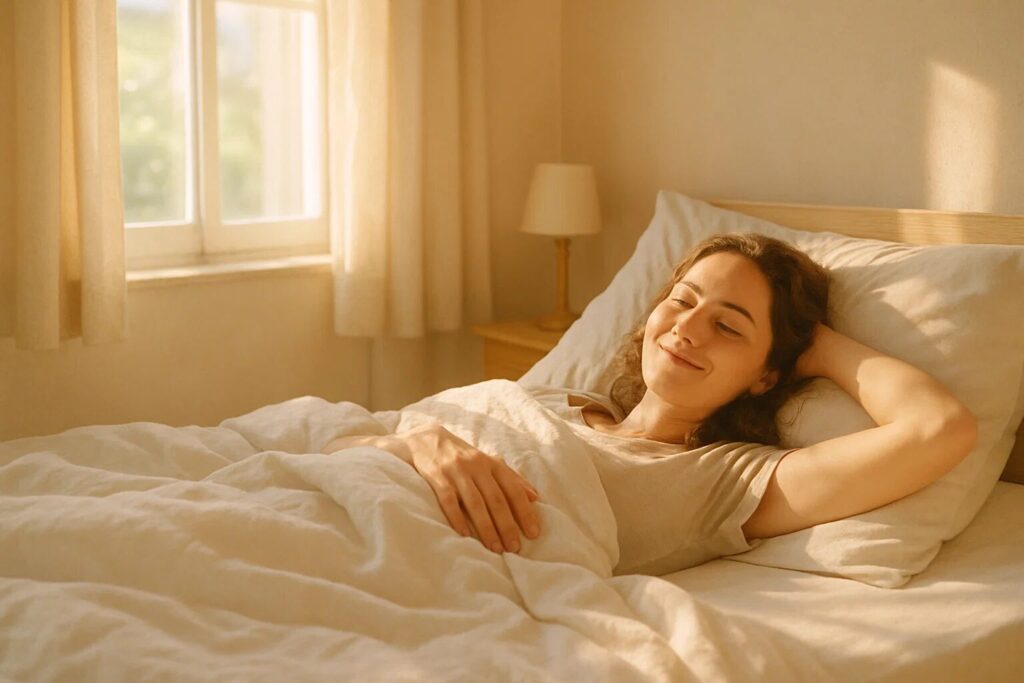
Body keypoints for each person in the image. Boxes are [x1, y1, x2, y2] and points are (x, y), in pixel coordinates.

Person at [322, 233, 977, 567]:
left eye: (728, 326)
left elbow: (939, 428)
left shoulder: (723, 480)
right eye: (682, 300)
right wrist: (419, 443)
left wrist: (814, 345)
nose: (687, 328)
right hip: (338, 508)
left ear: (766, 375)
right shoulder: (552, 399)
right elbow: (336, 443)